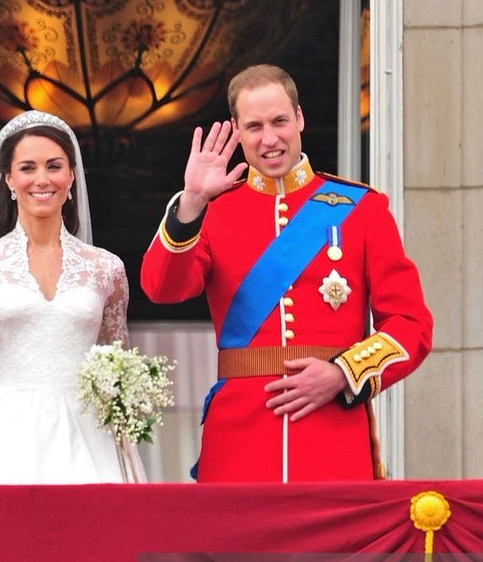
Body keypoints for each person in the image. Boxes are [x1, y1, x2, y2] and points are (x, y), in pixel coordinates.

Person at [140, 65, 432, 482]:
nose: (269, 138)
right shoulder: (211, 211)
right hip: (239, 439)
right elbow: (162, 289)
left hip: (331, 432)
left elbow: (410, 323)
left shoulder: (362, 208)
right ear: (238, 132)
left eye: (279, 121)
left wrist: (343, 373)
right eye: (254, 126)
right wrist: (190, 203)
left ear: (299, 119)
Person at [0, 109, 140, 484]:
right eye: (28, 168)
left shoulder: (106, 267)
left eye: (54, 166)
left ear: (71, 177)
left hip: (90, 437)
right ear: (10, 180)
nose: (42, 179)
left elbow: (118, 362)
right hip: (5, 436)